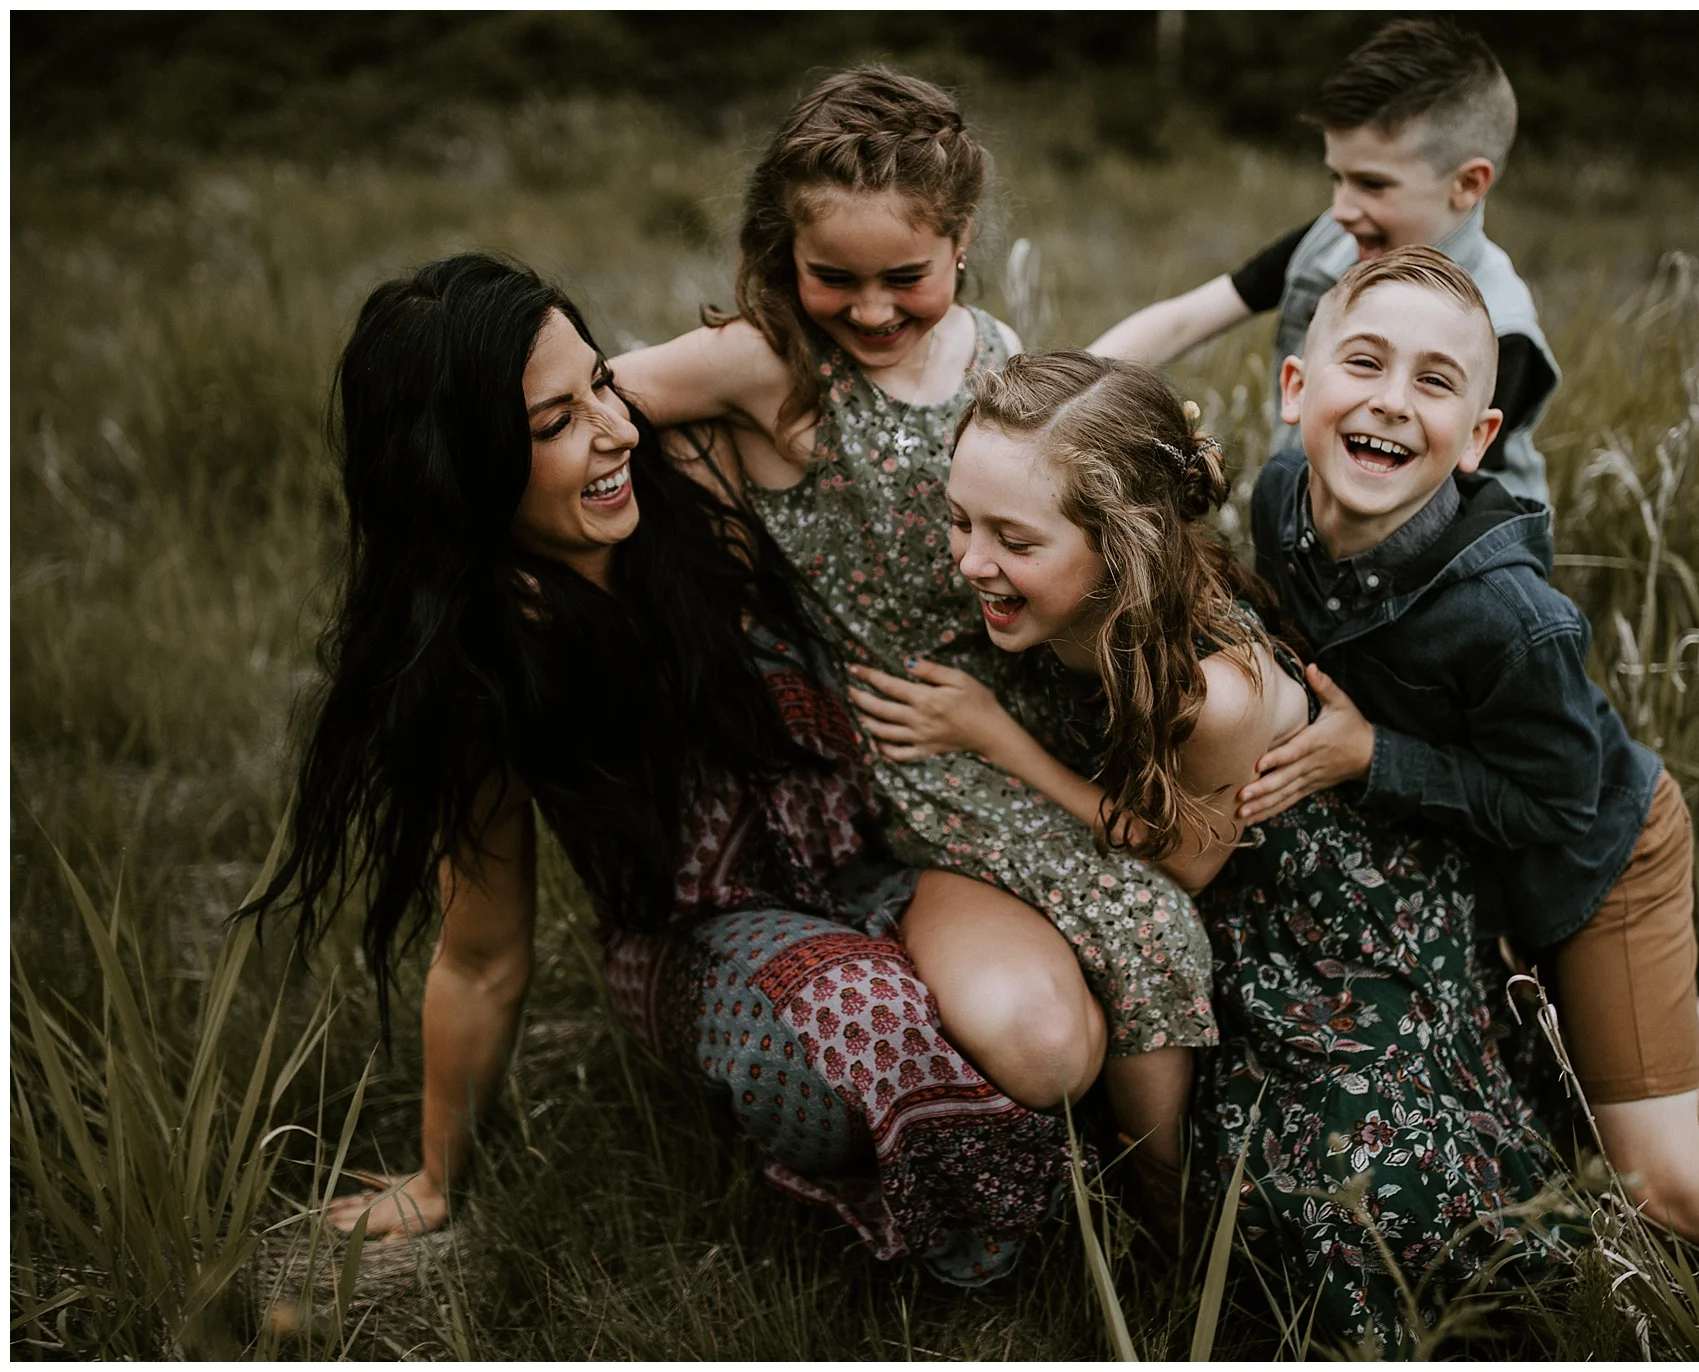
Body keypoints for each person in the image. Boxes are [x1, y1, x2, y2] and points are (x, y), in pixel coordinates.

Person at [242, 253, 1102, 1285]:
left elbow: (819, 346)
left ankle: (1014, 1115)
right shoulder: (483, 674)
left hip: (882, 855)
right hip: (697, 927)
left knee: (1049, 1021)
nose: (612, 431)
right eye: (553, 423)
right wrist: (434, 1179)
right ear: (462, 468)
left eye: (599, 382)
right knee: (860, 1029)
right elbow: (478, 953)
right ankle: (974, 1189)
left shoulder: (696, 476)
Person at [1236, 245, 1699, 1297]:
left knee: (1657, 1174)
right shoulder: (1277, 502)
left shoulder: (1511, 620)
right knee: (1688, 1043)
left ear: (1479, 439)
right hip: (1487, 852)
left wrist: (1371, 756)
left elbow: (1553, 801)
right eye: (1363, 363)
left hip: (1601, 857)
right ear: (1295, 386)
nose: (1391, 403)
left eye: (1434, 381)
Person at [847, 349, 1569, 1349]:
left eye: (1010, 537)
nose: (967, 559)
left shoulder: (1208, 695)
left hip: (1311, 913)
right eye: (960, 519)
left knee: (1332, 1203)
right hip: (1224, 870)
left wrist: (995, 739)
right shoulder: (1079, 597)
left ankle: (1172, 1246)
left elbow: (1183, 862)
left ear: (1119, 548)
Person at [612, 67, 1216, 1204]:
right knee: (1146, 919)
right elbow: (597, 399)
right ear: (782, 247)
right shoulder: (773, 360)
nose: (874, 309)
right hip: (926, 743)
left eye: (908, 277)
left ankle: (1168, 1193)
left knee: (1183, 894)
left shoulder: (992, 347)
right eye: (832, 276)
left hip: (1044, 697)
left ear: (962, 239)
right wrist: (696, 504)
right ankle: (1164, 1207)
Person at [1090, 18, 1558, 505]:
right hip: (1307, 526)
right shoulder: (1330, 241)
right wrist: (1063, 391)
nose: (1341, 208)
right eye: (1338, 178)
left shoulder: (1501, 329)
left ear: (1467, 184)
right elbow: (1182, 323)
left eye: (1372, 184)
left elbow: (1421, 508)